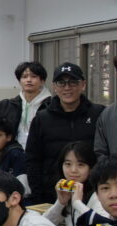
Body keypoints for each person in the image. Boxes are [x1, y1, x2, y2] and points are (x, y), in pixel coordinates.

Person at [25, 63, 105, 204]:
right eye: (61, 83)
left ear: (83, 85)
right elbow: (33, 160)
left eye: (73, 82)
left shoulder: (99, 114)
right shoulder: (42, 118)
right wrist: (38, 195)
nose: (67, 88)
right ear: (54, 87)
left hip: (93, 194)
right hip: (51, 195)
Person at [0, 62, 51, 147]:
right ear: (19, 81)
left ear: (42, 81)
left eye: (34, 76)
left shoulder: (51, 106)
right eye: (24, 77)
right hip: (14, 152)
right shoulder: (8, 105)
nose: (29, 80)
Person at [43, 141, 101, 226]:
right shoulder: (68, 192)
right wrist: (60, 203)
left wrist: (78, 204)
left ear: (91, 168)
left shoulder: (98, 195)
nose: (73, 170)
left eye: (81, 165)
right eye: (68, 164)